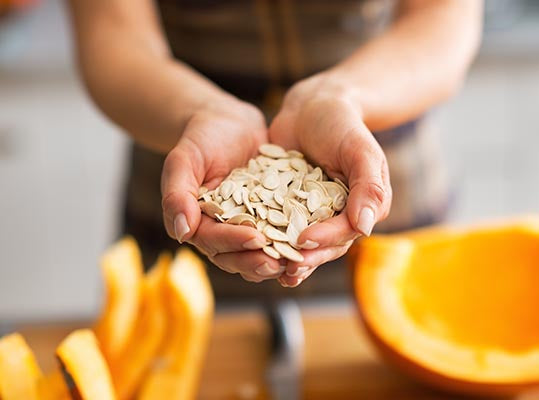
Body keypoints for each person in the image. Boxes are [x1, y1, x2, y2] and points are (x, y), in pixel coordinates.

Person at [68, 0, 482, 296]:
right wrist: (200, 111)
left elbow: (443, 17)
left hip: (382, 169)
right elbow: (113, 34)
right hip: (192, 173)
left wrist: (342, 96)